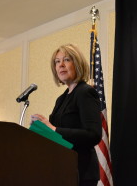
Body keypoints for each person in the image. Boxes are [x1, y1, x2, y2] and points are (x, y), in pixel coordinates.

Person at [31, 44, 102, 186]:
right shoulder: (61, 99)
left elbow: (93, 134)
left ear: (77, 63)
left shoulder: (85, 92)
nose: (61, 65)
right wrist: (42, 128)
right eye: (57, 62)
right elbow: (55, 134)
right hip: (61, 170)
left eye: (67, 60)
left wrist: (53, 129)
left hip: (81, 172)